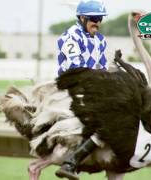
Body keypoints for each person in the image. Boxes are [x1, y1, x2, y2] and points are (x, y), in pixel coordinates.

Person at [55, 0, 108, 179]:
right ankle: (71, 161)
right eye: (94, 18)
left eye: (100, 18)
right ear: (82, 18)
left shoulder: (101, 40)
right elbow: (77, 70)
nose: (98, 23)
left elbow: (103, 69)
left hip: (92, 87)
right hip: (72, 86)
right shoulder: (70, 37)